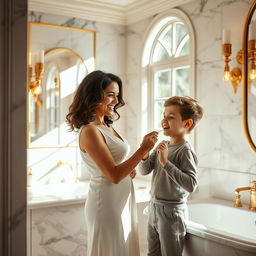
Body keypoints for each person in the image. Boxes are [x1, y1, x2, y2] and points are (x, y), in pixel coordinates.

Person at [66, 70, 158, 256]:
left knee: (122, 248)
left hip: (120, 200)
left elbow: (116, 167)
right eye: (110, 95)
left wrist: (129, 170)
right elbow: (113, 175)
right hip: (106, 203)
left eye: (117, 96)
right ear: (93, 95)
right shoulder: (90, 131)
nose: (116, 101)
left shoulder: (107, 126)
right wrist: (142, 150)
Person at [138, 96, 203, 256]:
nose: (164, 120)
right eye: (164, 115)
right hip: (154, 206)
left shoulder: (185, 150)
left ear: (187, 123)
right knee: (152, 253)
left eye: (171, 117)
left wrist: (166, 162)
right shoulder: (163, 145)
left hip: (172, 212)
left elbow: (191, 184)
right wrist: (145, 151)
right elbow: (144, 170)